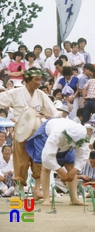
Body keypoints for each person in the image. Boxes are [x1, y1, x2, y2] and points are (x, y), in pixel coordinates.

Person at [0, 68, 60, 199]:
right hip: (20, 132)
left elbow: (55, 112)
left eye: (40, 79)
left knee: (38, 160)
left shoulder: (41, 94)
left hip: (38, 133)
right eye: (36, 79)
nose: (39, 82)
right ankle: (20, 188)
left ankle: (37, 190)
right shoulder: (15, 93)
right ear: (27, 80)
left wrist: (48, 116)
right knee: (21, 162)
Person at [25, 118, 89, 205]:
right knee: (45, 167)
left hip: (66, 139)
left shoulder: (82, 134)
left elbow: (82, 154)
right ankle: (46, 198)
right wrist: (61, 171)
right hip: (46, 134)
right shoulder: (56, 134)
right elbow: (48, 157)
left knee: (71, 165)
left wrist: (74, 171)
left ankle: (74, 198)